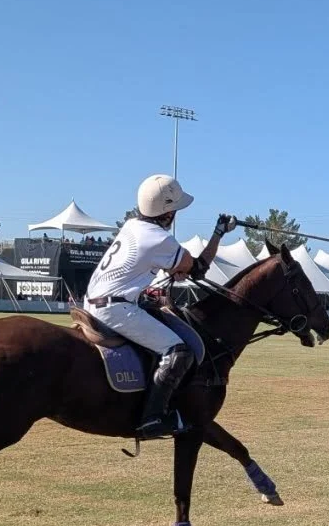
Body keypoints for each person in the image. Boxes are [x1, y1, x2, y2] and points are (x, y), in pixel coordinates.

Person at [83, 173, 235, 439]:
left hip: (93, 301)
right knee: (178, 351)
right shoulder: (158, 238)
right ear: (166, 213)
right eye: (174, 209)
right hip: (114, 309)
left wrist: (174, 269)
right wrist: (218, 233)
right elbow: (197, 268)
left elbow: (162, 265)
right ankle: (153, 418)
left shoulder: (132, 225)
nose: (175, 214)